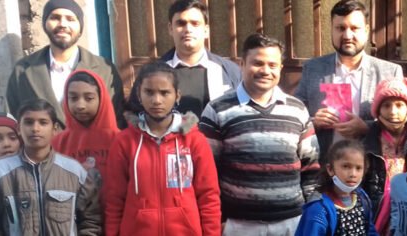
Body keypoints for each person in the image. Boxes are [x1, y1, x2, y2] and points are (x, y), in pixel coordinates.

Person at [198, 33, 319, 235]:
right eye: (257, 63)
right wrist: (217, 220)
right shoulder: (217, 109)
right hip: (238, 225)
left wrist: (310, 215)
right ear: (242, 64)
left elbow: (311, 168)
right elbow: (206, 172)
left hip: (291, 223)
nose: (265, 71)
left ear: (280, 68)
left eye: (272, 65)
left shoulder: (297, 109)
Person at [104, 63, 221, 235]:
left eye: (165, 93)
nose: (156, 100)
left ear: (177, 96)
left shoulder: (194, 141)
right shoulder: (124, 142)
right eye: (149, 92)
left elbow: (209, 197)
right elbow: (114, 199)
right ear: (139, 94)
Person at [0, 99, 101, 235]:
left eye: (43, 122)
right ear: (19, 129)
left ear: (54, 129)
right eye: (29, 122)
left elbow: (91, 221)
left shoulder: (74, 172)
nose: (35, 129)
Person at [295, 0, 404, 154]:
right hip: (325, 166)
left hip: (371, 166)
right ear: (331, 30)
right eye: (340, 28)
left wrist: (366, 127)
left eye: (354, 28)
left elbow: (402, 124)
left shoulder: (389, 72)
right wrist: (314, 122)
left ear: (366, 31)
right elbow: (294, 113)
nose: (347, 35)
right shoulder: (313, 69)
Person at [6, 0, 124, 128]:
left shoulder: (104, 69)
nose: (63, 24)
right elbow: (11, 120)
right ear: (45, 23)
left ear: (80, 27)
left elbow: (116, 120)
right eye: (55, 18)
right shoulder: (23, 70)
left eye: (70, 19)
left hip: (90, 147)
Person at [146, 0, 242, 117]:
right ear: (171, 29)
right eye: (181, 23)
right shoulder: (151, 73)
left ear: (206, 30)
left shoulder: (230, 71)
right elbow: (137, 118)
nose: (188, 29)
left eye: (195, 23)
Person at [296, 140, 380, 236]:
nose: (353, 174)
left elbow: (370, 230)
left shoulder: (362, 198)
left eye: (358, 168)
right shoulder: (319, 209)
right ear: (330, 169)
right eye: (346, 166)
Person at [53, 70, 120, 185]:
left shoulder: (120, 140)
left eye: (89, 98)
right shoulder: (58, 142)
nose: (80, 106)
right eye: (73, 98)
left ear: (101, 99)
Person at [362, 78, 407, 215]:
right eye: (386, 106)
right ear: (378, 110)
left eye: (399, 105)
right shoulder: (365, 142)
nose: (393, 112)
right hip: (374, 212)